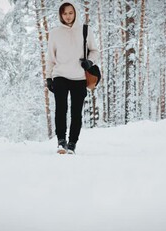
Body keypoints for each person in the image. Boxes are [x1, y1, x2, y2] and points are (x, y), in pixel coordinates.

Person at [45, 0, 99, 154]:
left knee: (76, 112)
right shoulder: (55, 33)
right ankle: (61, 142)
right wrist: (49, 78)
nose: (68, 16)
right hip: (60, 75)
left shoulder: (85, 30)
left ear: (75, 12)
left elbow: (95, 51)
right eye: (64, 13)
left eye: (70, 13)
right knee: (61, 110)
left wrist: (90, 62)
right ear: (60, 15)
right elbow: (50, 57)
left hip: (79, 77)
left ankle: (72, 144)